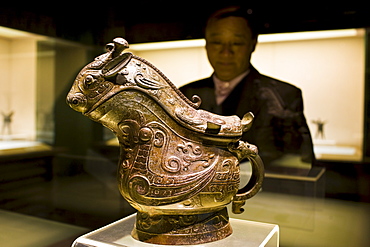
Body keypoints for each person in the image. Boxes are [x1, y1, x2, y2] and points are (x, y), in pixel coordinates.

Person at [180, 6, 315, 169]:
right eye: (217, 42)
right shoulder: (183, 95)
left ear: (253, 44)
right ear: (206, 44)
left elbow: (300, 162)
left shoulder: (283, 95)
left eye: (237, 43)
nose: (226, 52)